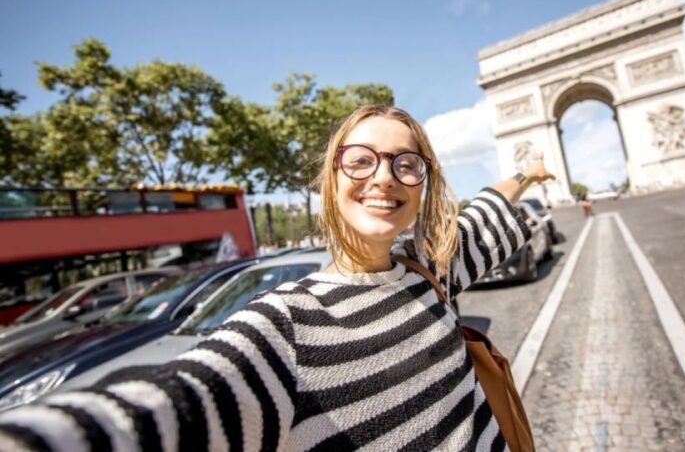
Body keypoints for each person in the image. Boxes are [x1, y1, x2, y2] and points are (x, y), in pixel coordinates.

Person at [0, 105, 554, 452]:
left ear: (422, 186)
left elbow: (486, 212)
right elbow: (173, 406)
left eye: (406, 164)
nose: (385, 176)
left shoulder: (433, 269)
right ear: (330, 178)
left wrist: (526, 173)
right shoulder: (285, 326)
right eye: (361, 160)